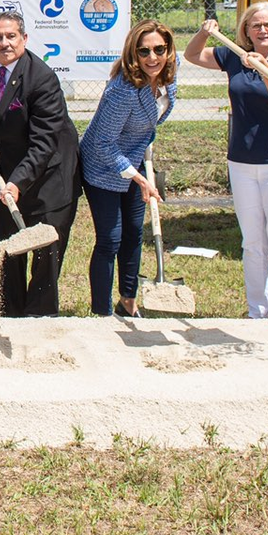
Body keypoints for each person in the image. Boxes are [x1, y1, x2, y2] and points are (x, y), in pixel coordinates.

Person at [185, 0, 268, 320]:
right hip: (242, 163)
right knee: (253, 243)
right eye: (256, 26)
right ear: (246, 32)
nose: (263, 30)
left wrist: (263, 69)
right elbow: (192, 55)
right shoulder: (234, 57)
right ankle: (257, 313)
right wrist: (203, 32)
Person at [0, 11, 79, 318]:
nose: (4, 43)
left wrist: (17, 182)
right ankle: (10, 313)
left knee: (46, 253)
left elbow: (45, 141)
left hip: (51, 173)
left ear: (24, 39)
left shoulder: (42, 79)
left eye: (11, 37)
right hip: (11, 167)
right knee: (8, 246)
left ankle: (40, 318)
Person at [79, 19, 177, 317]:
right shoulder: (122, 90)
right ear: (133, 53)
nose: (152, 58)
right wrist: (139, 179)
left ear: (168, 50)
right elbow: (103, 144)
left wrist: (142, 164)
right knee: (111, 238)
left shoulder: (168, 78)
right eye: (144, 51)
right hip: (102, 168)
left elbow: (151, 121)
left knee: (134, 233)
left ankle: (128, 302)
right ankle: (101, 313)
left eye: (159, 49)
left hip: (134, 162)